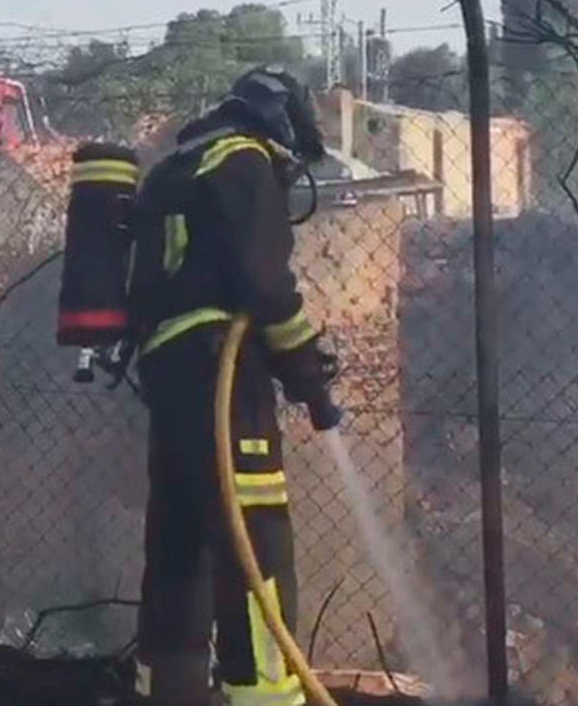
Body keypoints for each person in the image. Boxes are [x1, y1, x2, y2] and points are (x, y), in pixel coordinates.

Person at [126, 66, 342, 705]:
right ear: (278, 124)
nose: (288, 171)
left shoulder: (172, 170)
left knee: (181, 532)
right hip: (220, 364)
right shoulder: (244, 160)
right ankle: (264, 697)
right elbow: (264, 282)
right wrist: (307, 372)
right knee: (257, 534)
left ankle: (167, 687)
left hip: (166, 367)